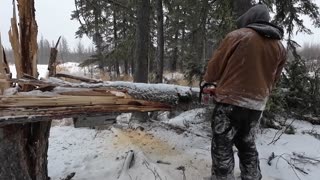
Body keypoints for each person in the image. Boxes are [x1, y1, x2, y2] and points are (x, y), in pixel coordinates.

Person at [203, 4, 286, 180]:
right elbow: (273, 79)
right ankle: (252, 176)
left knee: (222, 145)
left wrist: (221, 85)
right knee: (247, 143)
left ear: (249, 19)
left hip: (230, 103)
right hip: (257, 104)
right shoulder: (280, 47)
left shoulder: (237, 36)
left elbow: (213, 72)